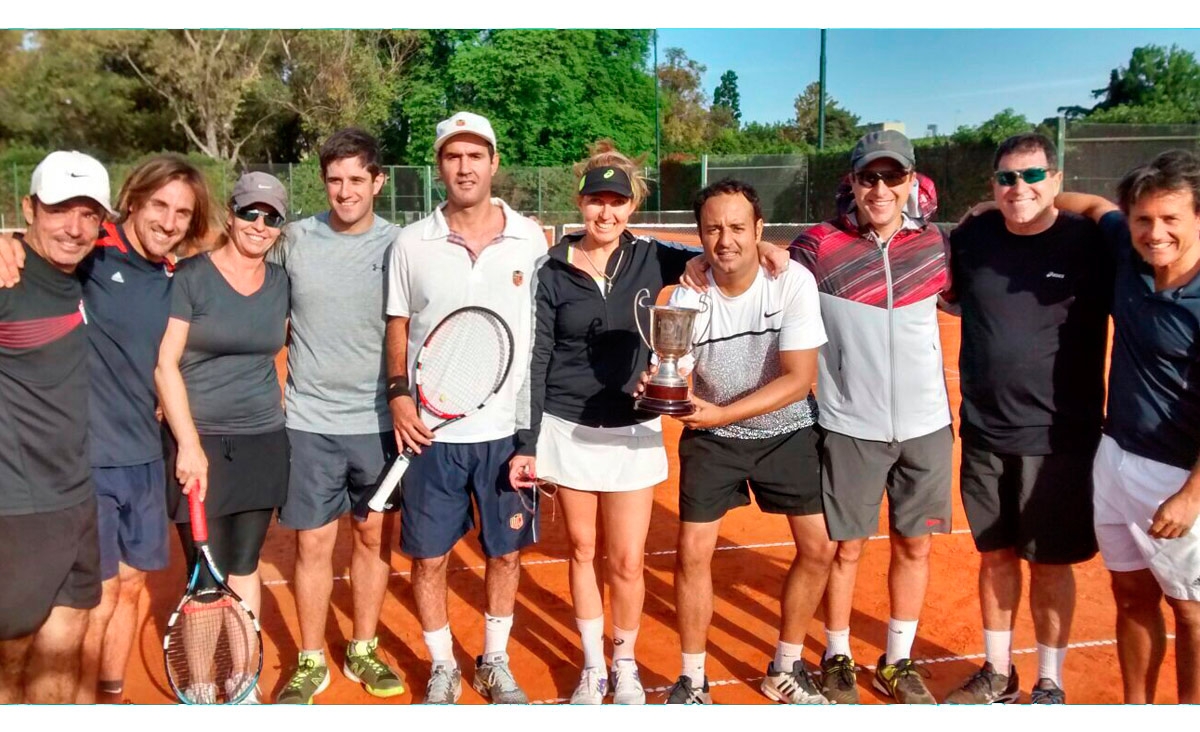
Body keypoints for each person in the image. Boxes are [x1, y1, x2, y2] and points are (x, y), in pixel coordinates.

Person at [509, 146, 788, 705]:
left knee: (627, 560)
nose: (605, 213)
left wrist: (765, 247)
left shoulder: (653, 257)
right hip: (568, 426)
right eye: (595, 200)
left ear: (632, 204)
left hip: (635, 427)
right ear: (580, 202)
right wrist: (528, 442)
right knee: (583, 551)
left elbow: (719, 252)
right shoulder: (551, 267)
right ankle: (593, 666)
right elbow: (537, 358)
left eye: (617, 201)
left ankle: (626, 662)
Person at [0, 155, 214, 703]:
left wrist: (188, 445)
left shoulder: (175, 274)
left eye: (182, 213)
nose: (168, 222)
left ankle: (109, 696)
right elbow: (37, 248)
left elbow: (164, 363)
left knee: (131, 587)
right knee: (90, 600)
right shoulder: (93, 252)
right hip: (85, 464)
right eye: (158, 206)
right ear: (133, 203)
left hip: (144, 454)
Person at [638, 179, 832, 705]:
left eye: (738, 227)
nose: (725, 240)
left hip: (786, 429)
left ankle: (784, 667)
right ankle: (693, 679)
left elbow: (798, 379)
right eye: (713, 228)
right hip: (713, 438)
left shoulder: (791, 281)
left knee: (819, 547)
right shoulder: (687, 294)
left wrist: (724, 411)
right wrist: (661, 385)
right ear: (699, 235)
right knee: (692, 552)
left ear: (759, 230)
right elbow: (678, 369)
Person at [942, 134, 1110, 705]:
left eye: (1034, 176)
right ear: (992, 184)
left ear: (1058, 179)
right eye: (1008, 179)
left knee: (1051, 563)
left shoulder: (1089, 241)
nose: (1021, 188)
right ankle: (997, 671)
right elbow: (947, 295)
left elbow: (1112, 211)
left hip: (1060, 438)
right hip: (985, 431)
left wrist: (1056, 200)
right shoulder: (972, 239)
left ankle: (1050, 680)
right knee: (995, 556)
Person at [386, 111, 545, 704]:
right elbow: (397, 325)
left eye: (475, 155)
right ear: (439, 165)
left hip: (507, 431)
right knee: (428, 558)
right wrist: (400, 395)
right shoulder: (411, 243)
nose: (464, 166)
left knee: (504, 556)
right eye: (453, 156)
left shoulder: (530, 237)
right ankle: (444, 665)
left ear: (494, 162)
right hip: (431, 433)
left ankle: (494, 660)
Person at [790, 130, 952, 705]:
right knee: (846, 547)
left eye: (893, 176)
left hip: (927, 426)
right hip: (849, 426)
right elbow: (770, 277)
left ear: (912, 181)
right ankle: (837, 655)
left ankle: (898, 659)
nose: (880, 189)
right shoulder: (817, 248)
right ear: (852, 183)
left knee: (916, 545)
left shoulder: (937, 246)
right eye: (869, 177)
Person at [1055, 150, 1200, 704]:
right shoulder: (1127, 245)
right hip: (1114, 455)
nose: (1155, 232)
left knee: (1189, 611)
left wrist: (1190, 496)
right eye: (1144, 219)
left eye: (1171, 220)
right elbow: (1089, 205)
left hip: (1178, 475)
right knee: (1131, 592)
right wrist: (997, 206)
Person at [271, 128, 407, 704]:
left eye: (356, 179)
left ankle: (363, 647)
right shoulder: (294, 239)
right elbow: (233, 267)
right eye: (334, 180)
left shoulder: (403, 244)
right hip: (308, 420)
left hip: (380, 422)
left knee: (374, 540)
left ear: (377, 181)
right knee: (312, 546)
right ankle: (309, 659)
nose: (344, 191)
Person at [155, 172, 291, 704]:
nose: (260, 225)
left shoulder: (281, 281)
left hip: (261, 439)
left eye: (272, 217)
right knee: (203, 573)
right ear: (231, 215)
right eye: (250, 213)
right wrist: (188, 443)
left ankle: (241, 675)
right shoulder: (190, 277)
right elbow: (165, 363)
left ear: (280, 226)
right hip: (199, 442)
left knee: (245, 563)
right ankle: (205, 682)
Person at [0, 151, 112, 703]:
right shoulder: (6, 273)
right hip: (17, 509)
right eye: (60, 210)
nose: (74, 227)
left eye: (89, 213)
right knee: (12, 656)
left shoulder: (85, 274)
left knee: (65, 644)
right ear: (28, 208)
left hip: (76, 498)